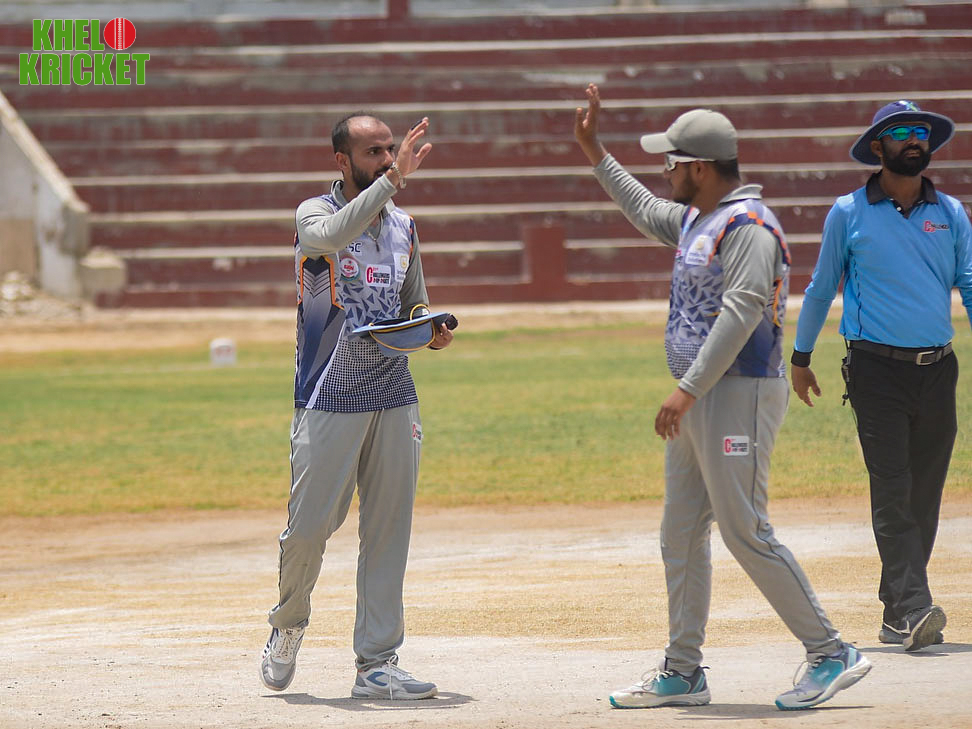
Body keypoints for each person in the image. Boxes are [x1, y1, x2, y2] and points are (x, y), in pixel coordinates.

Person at [573, 84, 871, 711]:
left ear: (701, 168)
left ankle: (831, 652)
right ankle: (683, 672)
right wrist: (595, 151)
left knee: (745, 530)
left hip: (739, 392)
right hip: (703, 397)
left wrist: (686, 391)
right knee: (680, 533)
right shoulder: (697, 218)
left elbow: (741, 313)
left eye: (672, 163)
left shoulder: (750, 227)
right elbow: (642, 207)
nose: (665, 173)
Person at [259, 112, 453, 699]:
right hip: (328, 390)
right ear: (341, 161)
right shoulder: (313, 214)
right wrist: (391, 184)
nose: (388, 160)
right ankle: (288, 623)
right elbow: (330, 239)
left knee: (389, 529)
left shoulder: (405, 227)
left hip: (393, 390)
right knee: (309, 529)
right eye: (374, 152)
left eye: (390, 150)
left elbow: (414, 302)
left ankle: (377, 662)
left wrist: (430, 328)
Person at [791, 100, 972, 652]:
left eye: (921, 132)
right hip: (874, 370)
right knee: (892, 489)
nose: (914, 140)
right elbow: (822, 286)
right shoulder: (847, 212)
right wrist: (800, 357)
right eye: (901, 133)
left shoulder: (952, 212)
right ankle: (915, 606)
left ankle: (897, 612)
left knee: (924, 494)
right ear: (878, 147)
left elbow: (969, 281)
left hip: (938, 370)